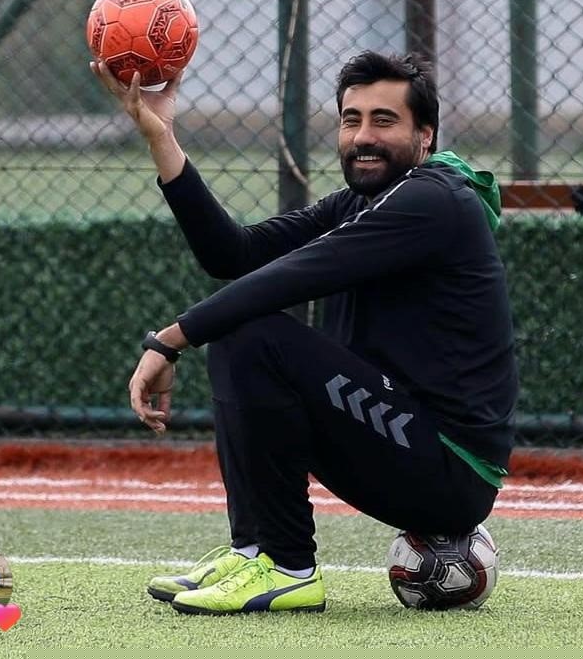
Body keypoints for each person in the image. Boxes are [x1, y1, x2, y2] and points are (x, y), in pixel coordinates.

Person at [90, 50, 519, 615]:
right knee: (242, 329)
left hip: (447, 466)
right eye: (351, 119)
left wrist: (170, 339)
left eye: (384, 121)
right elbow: (233, 254)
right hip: (397, 437)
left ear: (425, 137)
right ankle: (253, 551)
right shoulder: (361, 203)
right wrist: (161, 137)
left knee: (251, 333)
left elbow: (288, 278)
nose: (363, 136)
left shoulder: (433, 202)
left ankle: (289, 567)